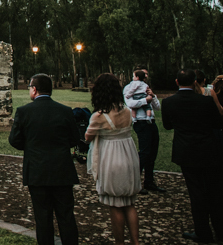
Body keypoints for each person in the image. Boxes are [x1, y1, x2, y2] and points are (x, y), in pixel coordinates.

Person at [9, 73, 79, 245]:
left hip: (37, 171)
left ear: (34, 89)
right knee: (66, 216)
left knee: (42, 218)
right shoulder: (65, 111)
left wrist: (31, 147)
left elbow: (14, 139)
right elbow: (75, 138)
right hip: (62, 169)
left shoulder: (24, 111)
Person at [163, 69, 223, 243]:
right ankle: (221, 232)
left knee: (196, 193)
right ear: (195, 82)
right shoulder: (206, 102)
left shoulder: (169, 102)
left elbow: (168, 126)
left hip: (187, 152)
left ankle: (203, 232)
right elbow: (217, 123)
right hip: (209, 150)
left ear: (177, 82)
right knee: (216, 192)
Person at [85, 73, 141, 245]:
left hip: (111, 158)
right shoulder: (126, 110)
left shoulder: (99, 116)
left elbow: (87, 137)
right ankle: (136, 241)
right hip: (129, 155)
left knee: (116, 204)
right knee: (129, 203)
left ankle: (119, 242)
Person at [123, 68, 163, 194]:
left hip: (151, 122)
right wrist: (145, 100)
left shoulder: (146, 88)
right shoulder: (129, 88)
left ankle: (149, 181)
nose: (145, 78)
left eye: (146, 76)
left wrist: (153, 95)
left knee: (152, 152)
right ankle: (135, 182)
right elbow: (130, 104)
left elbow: (157, 107)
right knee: (144, 152)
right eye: (143, 75)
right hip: (140, 122)